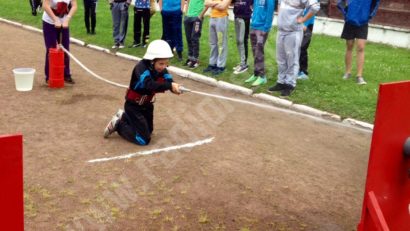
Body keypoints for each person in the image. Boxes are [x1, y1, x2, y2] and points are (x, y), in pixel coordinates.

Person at [103, 40, 182, 145]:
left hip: (147, 105)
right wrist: (169, 86)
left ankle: (124, 117)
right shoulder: (141, 68)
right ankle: (119, 125)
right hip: (134, 106)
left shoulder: (161, 69)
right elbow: (149, 85)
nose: (163, 67)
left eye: (166, 63)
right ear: (152, 61)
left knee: (149, 131)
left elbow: (169, 82)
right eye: (161, 63)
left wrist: (175, 88)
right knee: (144, 139)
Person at [268, 0, 320, 96]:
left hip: (293, 31)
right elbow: (280, 4)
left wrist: (302, 20)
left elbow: (315, 7)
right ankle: (281, 81)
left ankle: (290, 84)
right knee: (281, 58)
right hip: (281, 30)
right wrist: (281, 18)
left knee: (291, 58)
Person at [338, 0, 380, 85]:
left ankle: (359, 76)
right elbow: (341, 2)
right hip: (350, 21)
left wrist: (369, 16)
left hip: (363, 22)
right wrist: (346, 14)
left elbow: (375, 3)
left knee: (361, 47)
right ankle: (347, 72)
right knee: (349, 46)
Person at [42, 0, 77, 84]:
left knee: (65, 48)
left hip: (64, 23)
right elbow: (45, 5)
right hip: (49, 22)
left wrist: (67, 19)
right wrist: (55, 19)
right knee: (51, 48)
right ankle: (49, 75)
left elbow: (74, 6)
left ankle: (66, 74)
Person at [243, 0, 274, 86]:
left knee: (259, 52)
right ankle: (256, 73)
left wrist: (266, 27)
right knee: (254, 51)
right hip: (253, 25)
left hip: (262, 28)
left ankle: (262, 76)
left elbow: (270, 12)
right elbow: (255, 8)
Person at [203, 0, 232, 76]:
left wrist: (212, 4)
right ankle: (212, 64)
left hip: (221, 18)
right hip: (212, 18)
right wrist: (217, 3)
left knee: (221, 43)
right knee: (213, 43)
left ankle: (220, 66)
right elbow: (206, 3)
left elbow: (222, 7)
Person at [183, 0, 209, 69]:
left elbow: (207, 4)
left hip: (197, 18)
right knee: (188, 38)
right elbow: (188, 1)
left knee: (194, 38)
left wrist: (200, 16)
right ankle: (190, 58)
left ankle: (195, 59)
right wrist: (186, 14)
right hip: (188, 17)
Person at [231, 0, 252, 75]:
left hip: (245, 18)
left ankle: (244, 64)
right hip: (236, 17)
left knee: (242, 40)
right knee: (238, 41)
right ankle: (242, 62)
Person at [297, 8, 315, 80]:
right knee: (295, 47)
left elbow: (314, 9)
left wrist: (304, 23)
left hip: (308, 24)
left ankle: (303, 72)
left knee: (302, 47)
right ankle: (295, 69)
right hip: (297, 23)